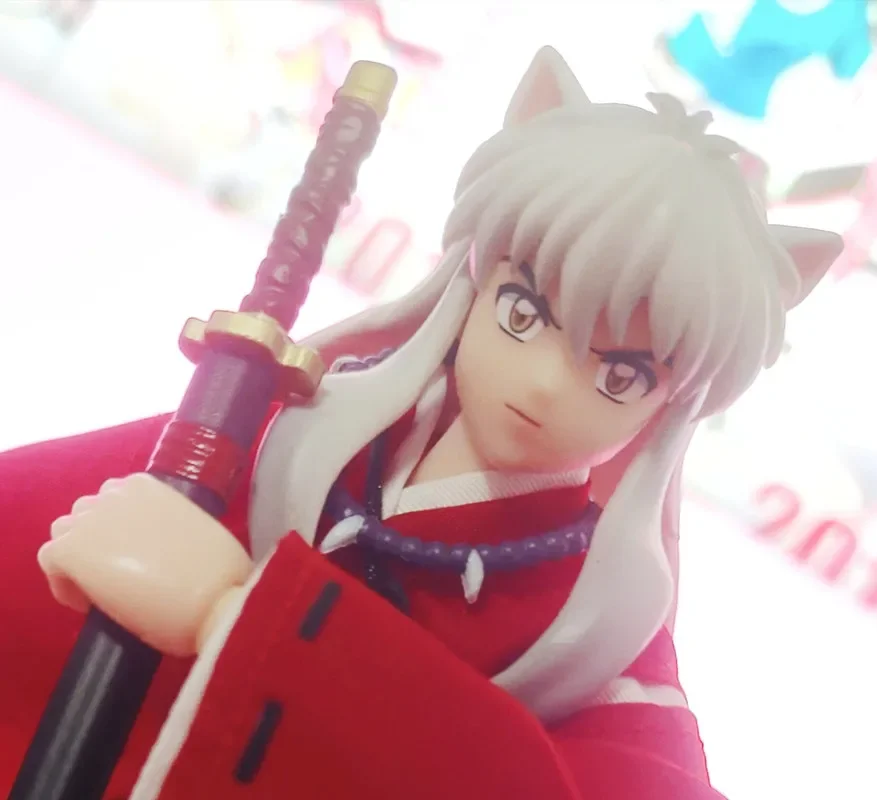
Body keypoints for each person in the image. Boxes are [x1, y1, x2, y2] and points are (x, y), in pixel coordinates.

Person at [0, 46, 843, 799]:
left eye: (622, 374)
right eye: (522, 312)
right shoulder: (302, 432)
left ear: (672, 406)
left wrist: (236, 617)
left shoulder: (597, 623)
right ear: (474, 278)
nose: (546, 383)